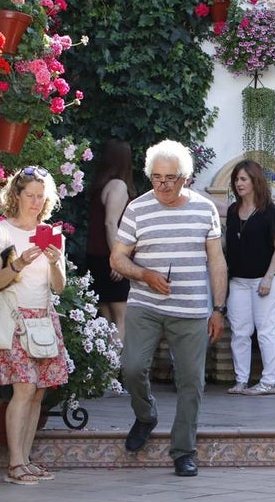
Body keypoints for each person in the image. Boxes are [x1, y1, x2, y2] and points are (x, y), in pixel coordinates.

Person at [110, 140, 228, 477]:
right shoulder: (137, 208)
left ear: (186, 178)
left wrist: (218, 309)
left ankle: (183, 450)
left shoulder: (204, 210)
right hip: (145, 305)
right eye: (156, 178)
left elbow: (216, 263)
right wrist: (144, 274)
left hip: (191, 308)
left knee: (192, 381)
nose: (163, 185)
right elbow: (117, 257)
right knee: (132, 368)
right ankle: (146, 415)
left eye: (171, 178)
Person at [0, 165, 69, 486]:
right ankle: (15, 463)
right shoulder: (2, 232)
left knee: (38, 393)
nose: (35, 202)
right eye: (30, 195)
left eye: (40, 197)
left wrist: (54, 261)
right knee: (24, 388)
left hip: (44, 320)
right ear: (16, 195)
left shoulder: (53, 234)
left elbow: (59, 287)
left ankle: (26, 459)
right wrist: (19, 263)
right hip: (16, 318)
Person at [224, 159, 275, 396]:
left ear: (255, 181)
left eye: (243, 179)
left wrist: (268, 278)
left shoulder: (270, 211)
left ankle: (268, 382)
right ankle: (241, 380)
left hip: (266, 279)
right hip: (239, 281)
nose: (239, 184)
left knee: (265, 330)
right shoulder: (232, 211)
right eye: (236, 179)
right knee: (240, 331)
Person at [86, 139, 135, 340]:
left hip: (96, 257)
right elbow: (110, 223)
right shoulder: (118, 186)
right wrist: (118, 259)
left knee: (106, 318)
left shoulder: (101, 186)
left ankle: (105, 369)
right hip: (110, 258)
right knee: (121, 319)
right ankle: (116, 370)